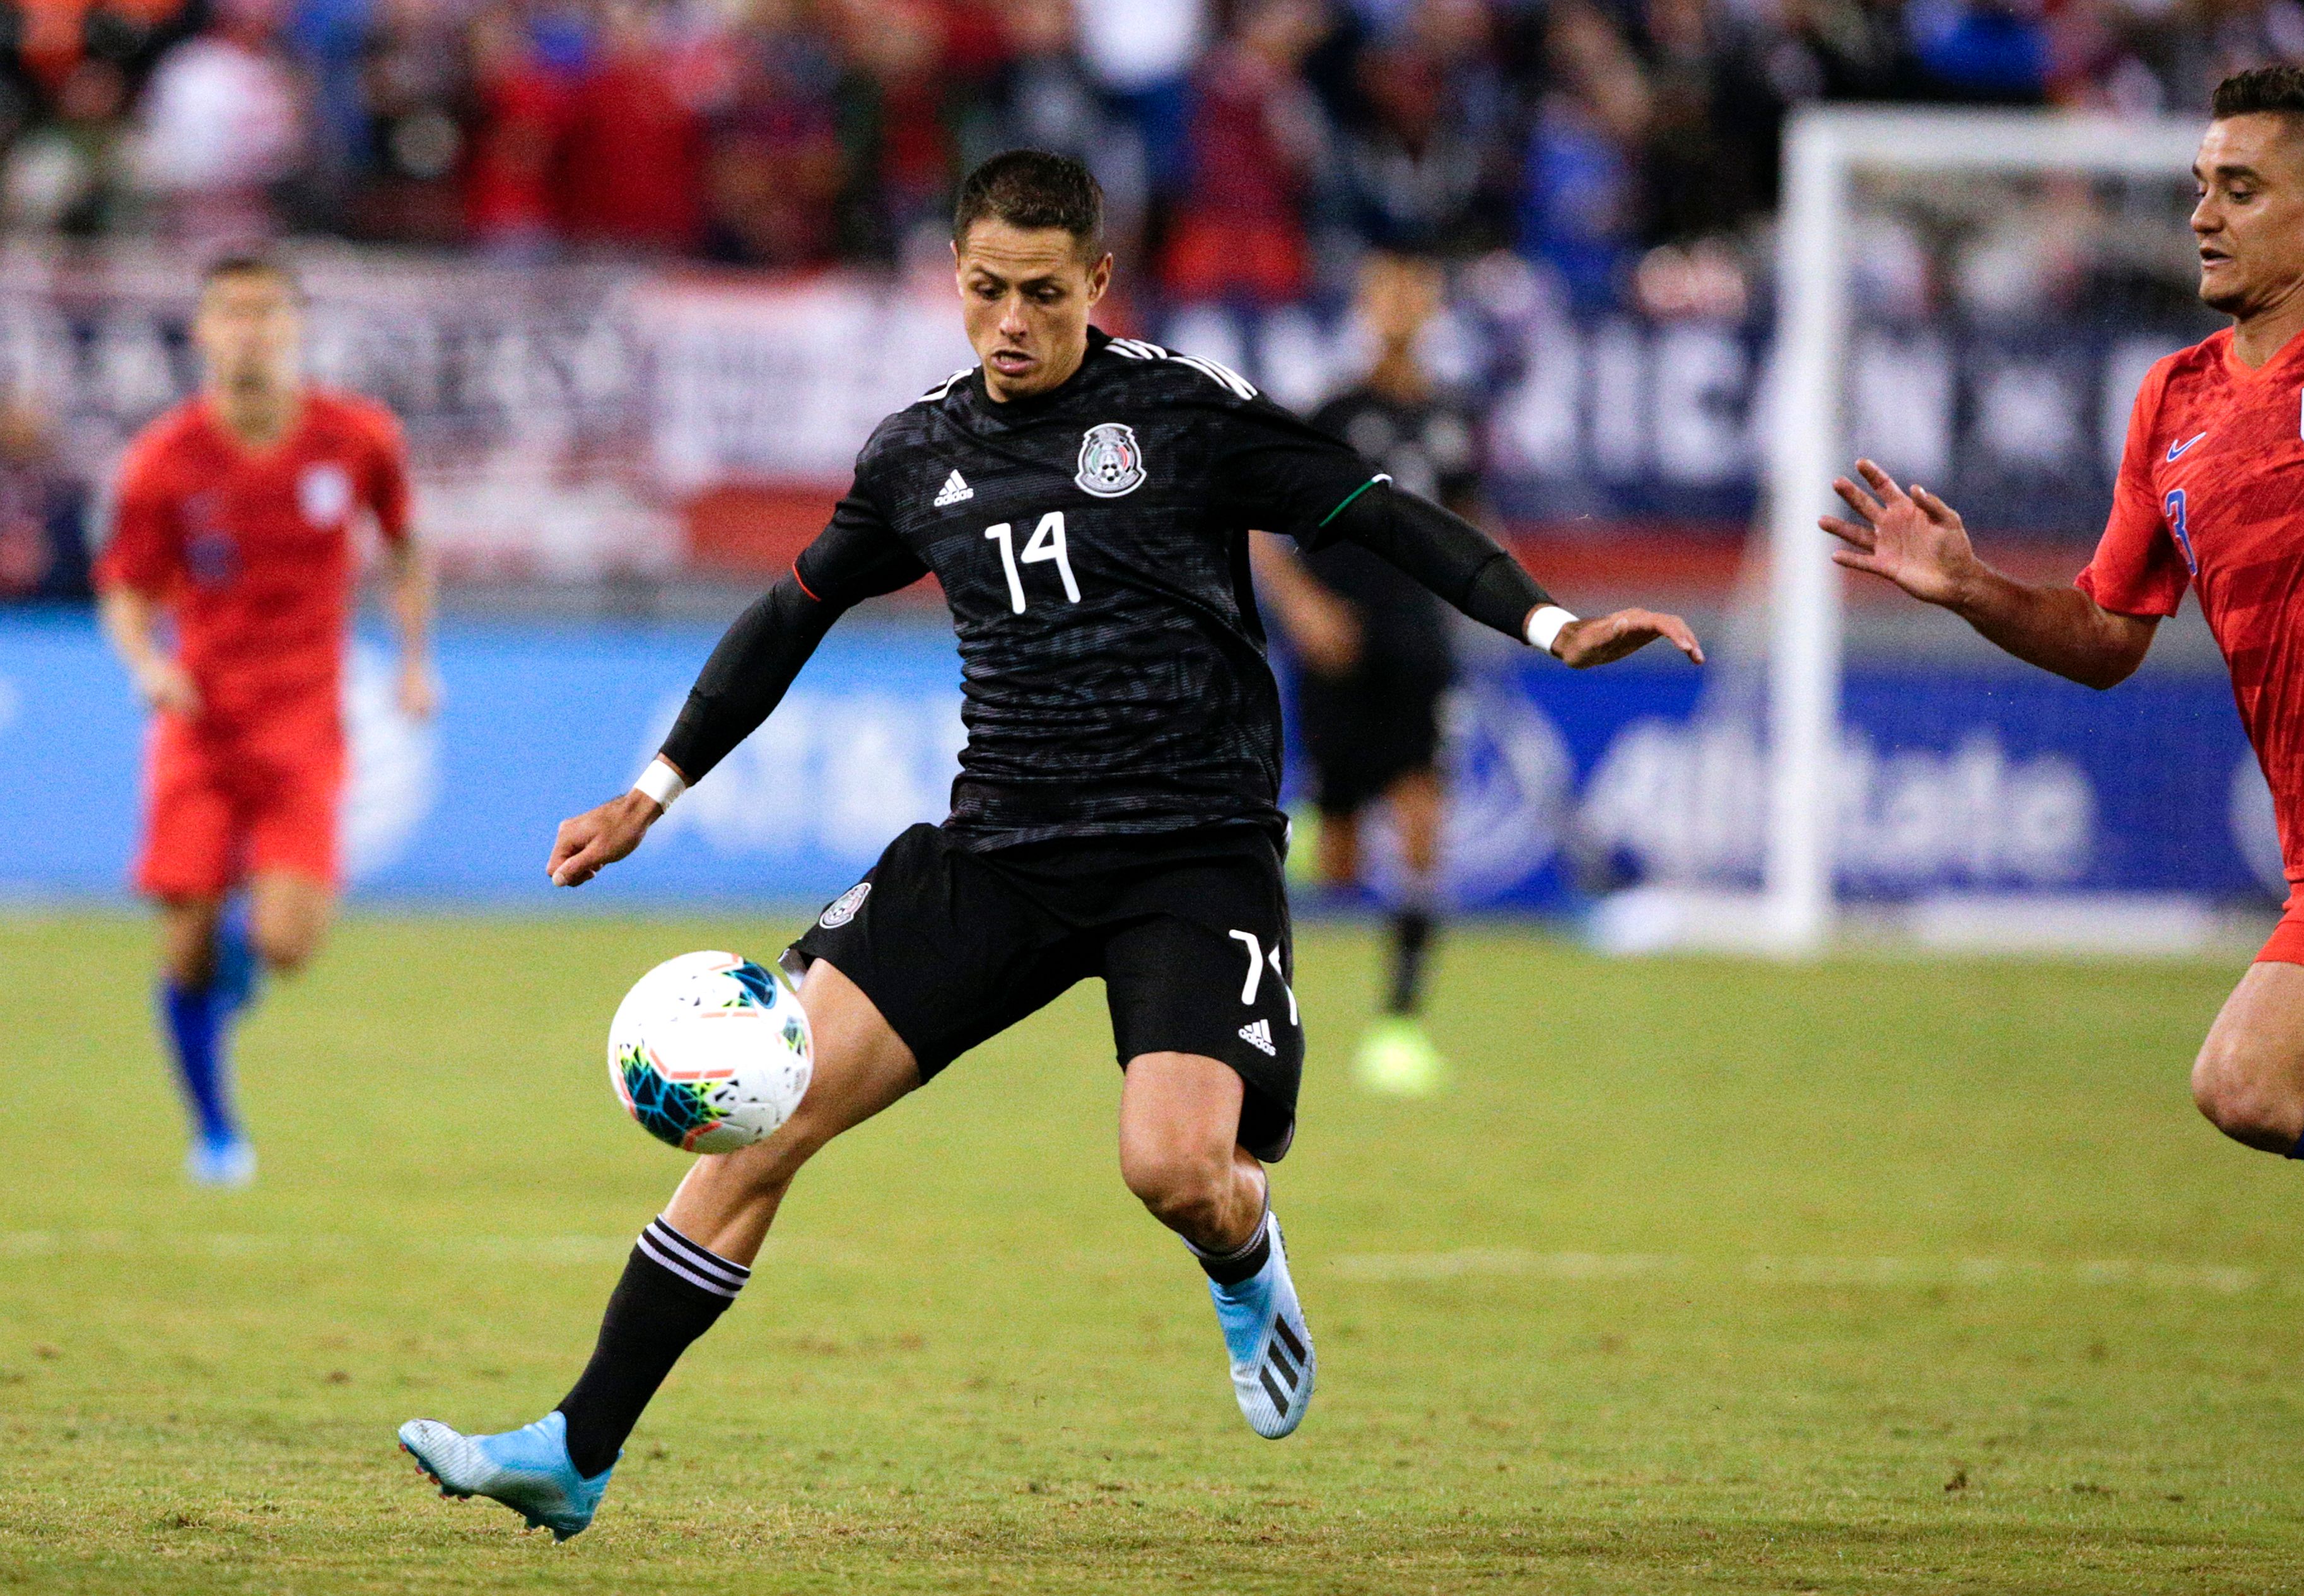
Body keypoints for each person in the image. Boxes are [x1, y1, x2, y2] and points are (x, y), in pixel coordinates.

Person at [396, 149, 1699, 1541]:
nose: (1009, 322)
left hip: (1189, 851)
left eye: (1040, 294)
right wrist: (652, 791)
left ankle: (1244, 1250)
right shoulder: (917, 454)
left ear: (1097, 282)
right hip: (1000, 846)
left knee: (1174, 1172)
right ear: (953, 279)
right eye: (983, 291)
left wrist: (1552, 624)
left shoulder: (1182, 415)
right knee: (768, 1113)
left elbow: (1377, 513)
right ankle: (574, 1449)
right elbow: (790, 615)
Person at [1821, 67, 2304, 1376]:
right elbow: (2107, 637)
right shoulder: (2174, 403)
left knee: (2246, 1080)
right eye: (2199, 185)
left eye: (2238, 189)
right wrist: (1969, 587)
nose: (2201, 214)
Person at [96, 255, 434, 1187]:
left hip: (303, 726)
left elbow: (404, 546)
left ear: (295, 326)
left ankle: (225, 994)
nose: (249, 329)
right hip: (199, 725)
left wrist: (414, 660)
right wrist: (149, 664)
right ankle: (215, 1133)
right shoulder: (164, 458)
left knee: (286, 943)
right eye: (231, 312)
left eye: (266, 311)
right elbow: (125, 588)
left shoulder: (356, 436)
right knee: (186, 941)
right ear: (202, 331)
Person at [1248, 250, 1478, 1097]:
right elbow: (1253, 521)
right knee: (1339, 858)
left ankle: (1401, 1025)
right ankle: (1262, 994)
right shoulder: (1332, 412)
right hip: (1336, 647)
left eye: (1416, 288)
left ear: (1434, 303)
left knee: (1421, 822)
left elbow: (1472, 534)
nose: (1402, 303)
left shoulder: (1454, 418)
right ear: (1366, 303)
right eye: (1387, 289)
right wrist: (1304, 610)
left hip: (1420, 650)